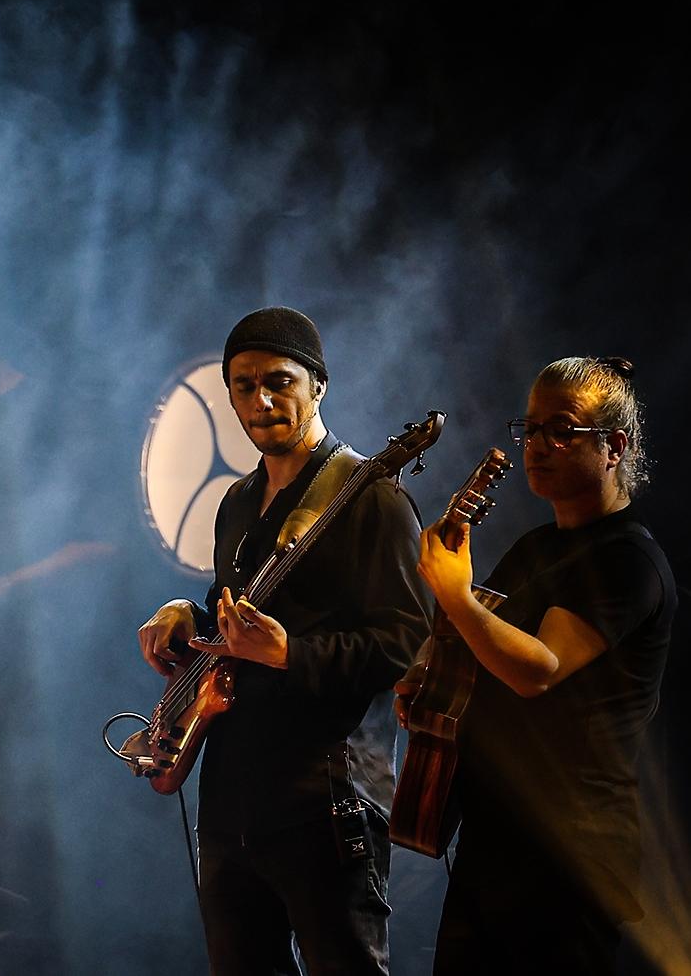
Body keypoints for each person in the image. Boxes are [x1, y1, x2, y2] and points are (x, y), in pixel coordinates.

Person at [136, 307, 429, 975]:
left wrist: (291, 654)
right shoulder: (237, 502)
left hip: (327, 798)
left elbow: (407, 646)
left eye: (278, 381)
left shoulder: (372, 499)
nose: (260, 400)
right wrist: (185, 612)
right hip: (231, 802)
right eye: (243, 386)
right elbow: (231, 618)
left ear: (318, 385)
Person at [410, 356, 674, 973]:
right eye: (529, 429)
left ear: (614, 447)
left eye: (561, 429)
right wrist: (428, 682)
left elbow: (539, 669)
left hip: (569, 863)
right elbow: (480, 653)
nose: (536, 444)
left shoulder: (628, 559)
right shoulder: (536, 548)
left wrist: (454, 594)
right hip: (493, 847)